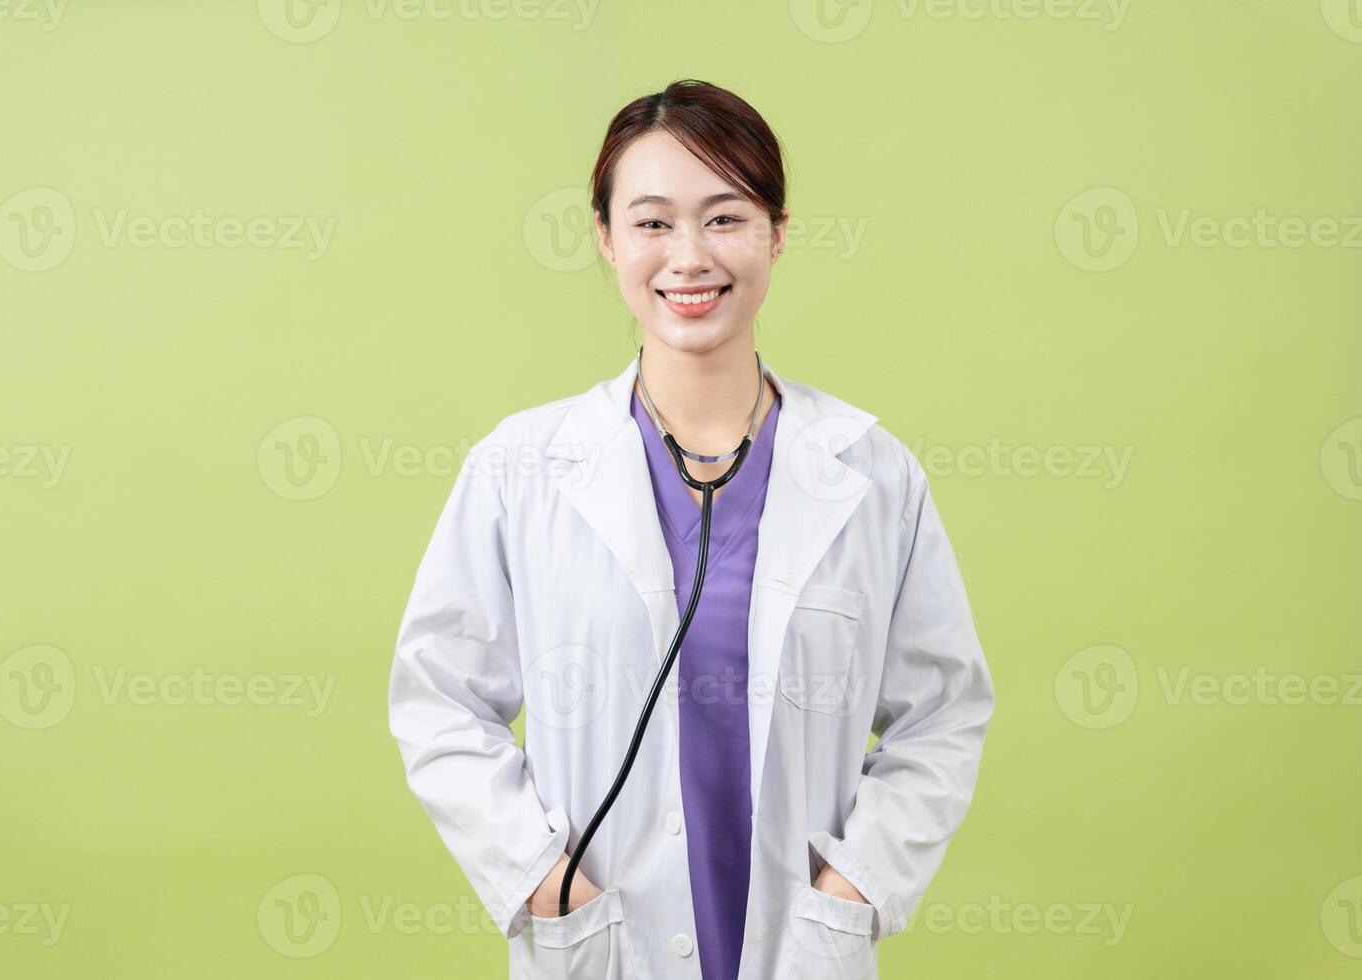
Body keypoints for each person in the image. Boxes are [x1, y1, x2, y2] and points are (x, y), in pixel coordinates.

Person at [388, 78, 995, 980]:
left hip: (801, 947)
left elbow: (943, 713)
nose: (689, 256)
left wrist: (853, 892)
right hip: (599, 948)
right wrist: (548, 886)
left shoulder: (869, 474)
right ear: (605, 237)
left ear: (777, 232)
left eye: (724, 218)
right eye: (652, 222)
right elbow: (438, 698)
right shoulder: (522, 468)